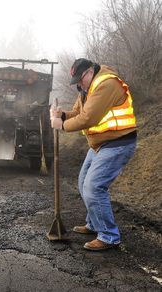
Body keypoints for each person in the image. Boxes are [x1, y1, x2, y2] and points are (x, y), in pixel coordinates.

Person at [50, 58, 137, 251]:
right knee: (83, 182)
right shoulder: (86, 88)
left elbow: (88, 118)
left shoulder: (106, 84)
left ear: (89, 72)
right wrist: (62, 115)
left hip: (118, 143)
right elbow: (77, 112)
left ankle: (109, 235)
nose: (79, 85)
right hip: (100, 144)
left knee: (94, 186)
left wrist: (61, 125)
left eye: (80, 80)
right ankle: (94, 224)